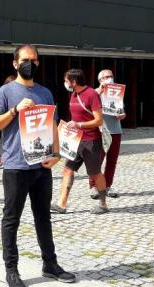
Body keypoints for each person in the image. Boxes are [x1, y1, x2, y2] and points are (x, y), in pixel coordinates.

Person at [0, 44, 76, 287]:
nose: (31, 64)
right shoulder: (5, 92)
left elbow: (53, 124)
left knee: (43, 217)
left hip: (41, 165)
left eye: (34, 60)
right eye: (26, 60)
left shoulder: (45, 93)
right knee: (11, 219)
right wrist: (15, 110)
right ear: (15, 64)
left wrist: (57, 154)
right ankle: (12, 269)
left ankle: (50, 263)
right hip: (16, 166)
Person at [51, 69, 108, 215]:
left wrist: (79, 125)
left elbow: (98, 120)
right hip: (75, 140)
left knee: (95, 173)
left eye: (66, 80)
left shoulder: (91, 94)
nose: (65, 83)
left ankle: (103, 204)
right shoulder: (74, 94)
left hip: (91, 141)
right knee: (67, 169)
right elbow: (77, 117)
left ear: (74, 82)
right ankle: (61, 204)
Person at [90, 69, 126, 199]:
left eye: (110, 76)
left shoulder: (117, 93)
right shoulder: (93, 93)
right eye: (105, 77)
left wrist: (122, 115)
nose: (109, 78)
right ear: (100, 80)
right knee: (97, 160)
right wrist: (99, 91)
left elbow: (122, 111)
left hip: (116, 130)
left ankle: (107, 185)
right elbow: (87, 109)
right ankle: (94, 186)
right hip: (100, 131)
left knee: (112, 161)